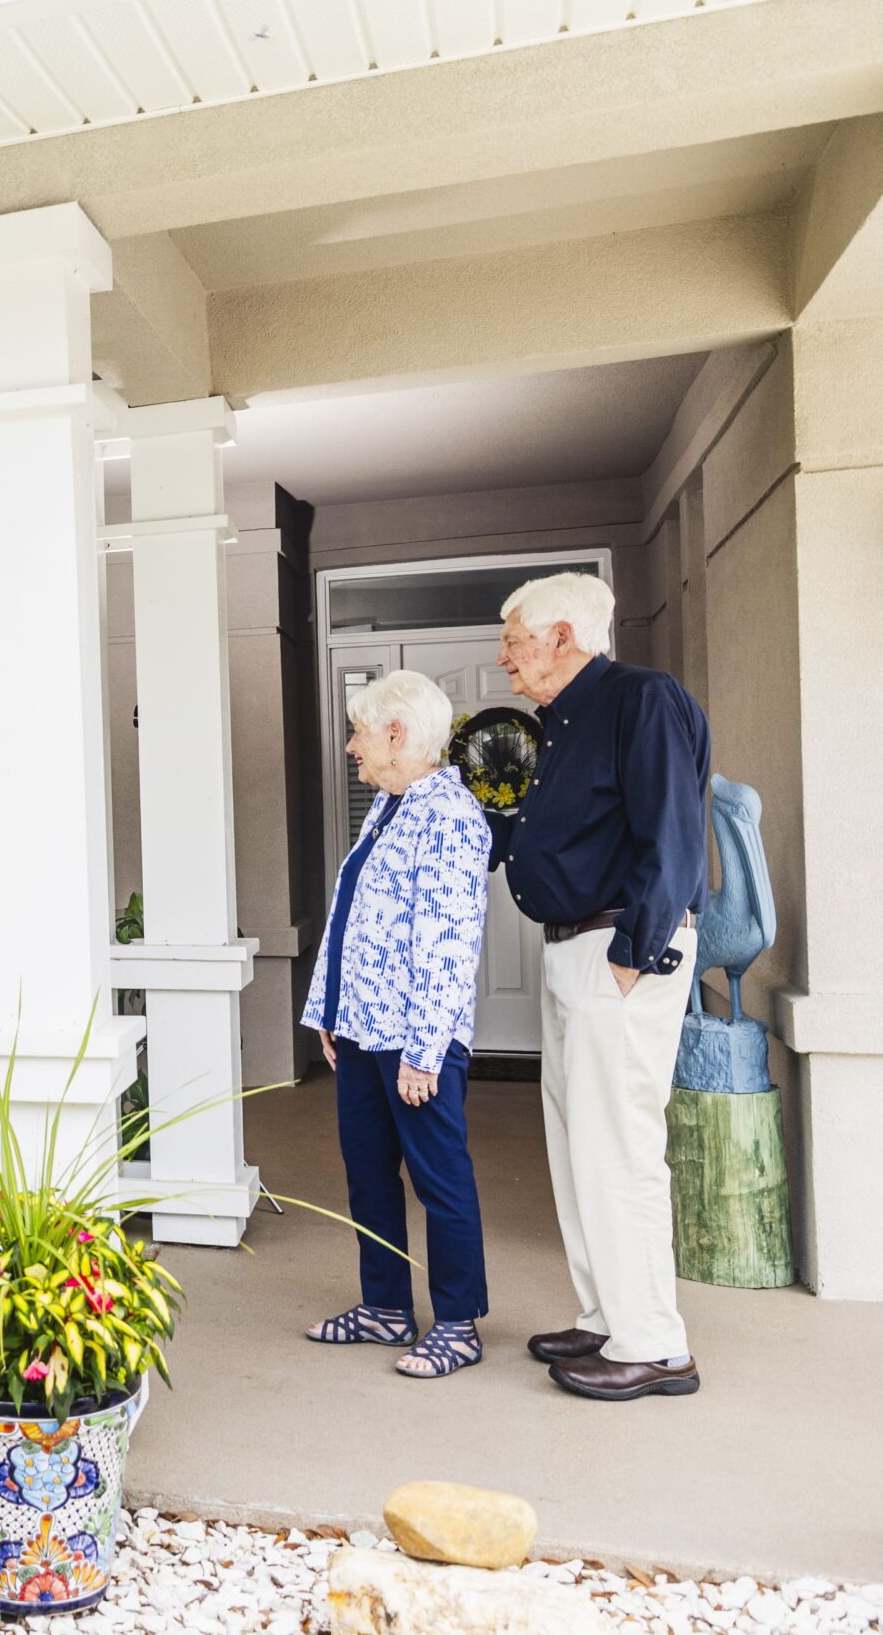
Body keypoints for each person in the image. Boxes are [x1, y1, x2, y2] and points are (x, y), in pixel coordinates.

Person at [496, 572, 711, 1401]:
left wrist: (634, 953)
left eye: (514, 639)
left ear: (561, 636)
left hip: (619, 949)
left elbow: (674, 834)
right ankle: (605, 1317)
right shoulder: (560, 723)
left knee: (619, 1149)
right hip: (573, 951)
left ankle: (655, 1344)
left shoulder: (641, 699)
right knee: (576, 1145)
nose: (506, 658)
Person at [299, 670, 495, 1379]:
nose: (352, 747)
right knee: (369, 1176)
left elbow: (446, 945)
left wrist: (426, 1051)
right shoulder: (389, 807)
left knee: (439, 1178)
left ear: (395, 733)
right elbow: (351, 917)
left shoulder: (448, 816)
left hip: (414, 1040)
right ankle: (384, 1307)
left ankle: (458, 1323)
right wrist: (329, 1010)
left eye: (358, 732)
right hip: (362, 1030)